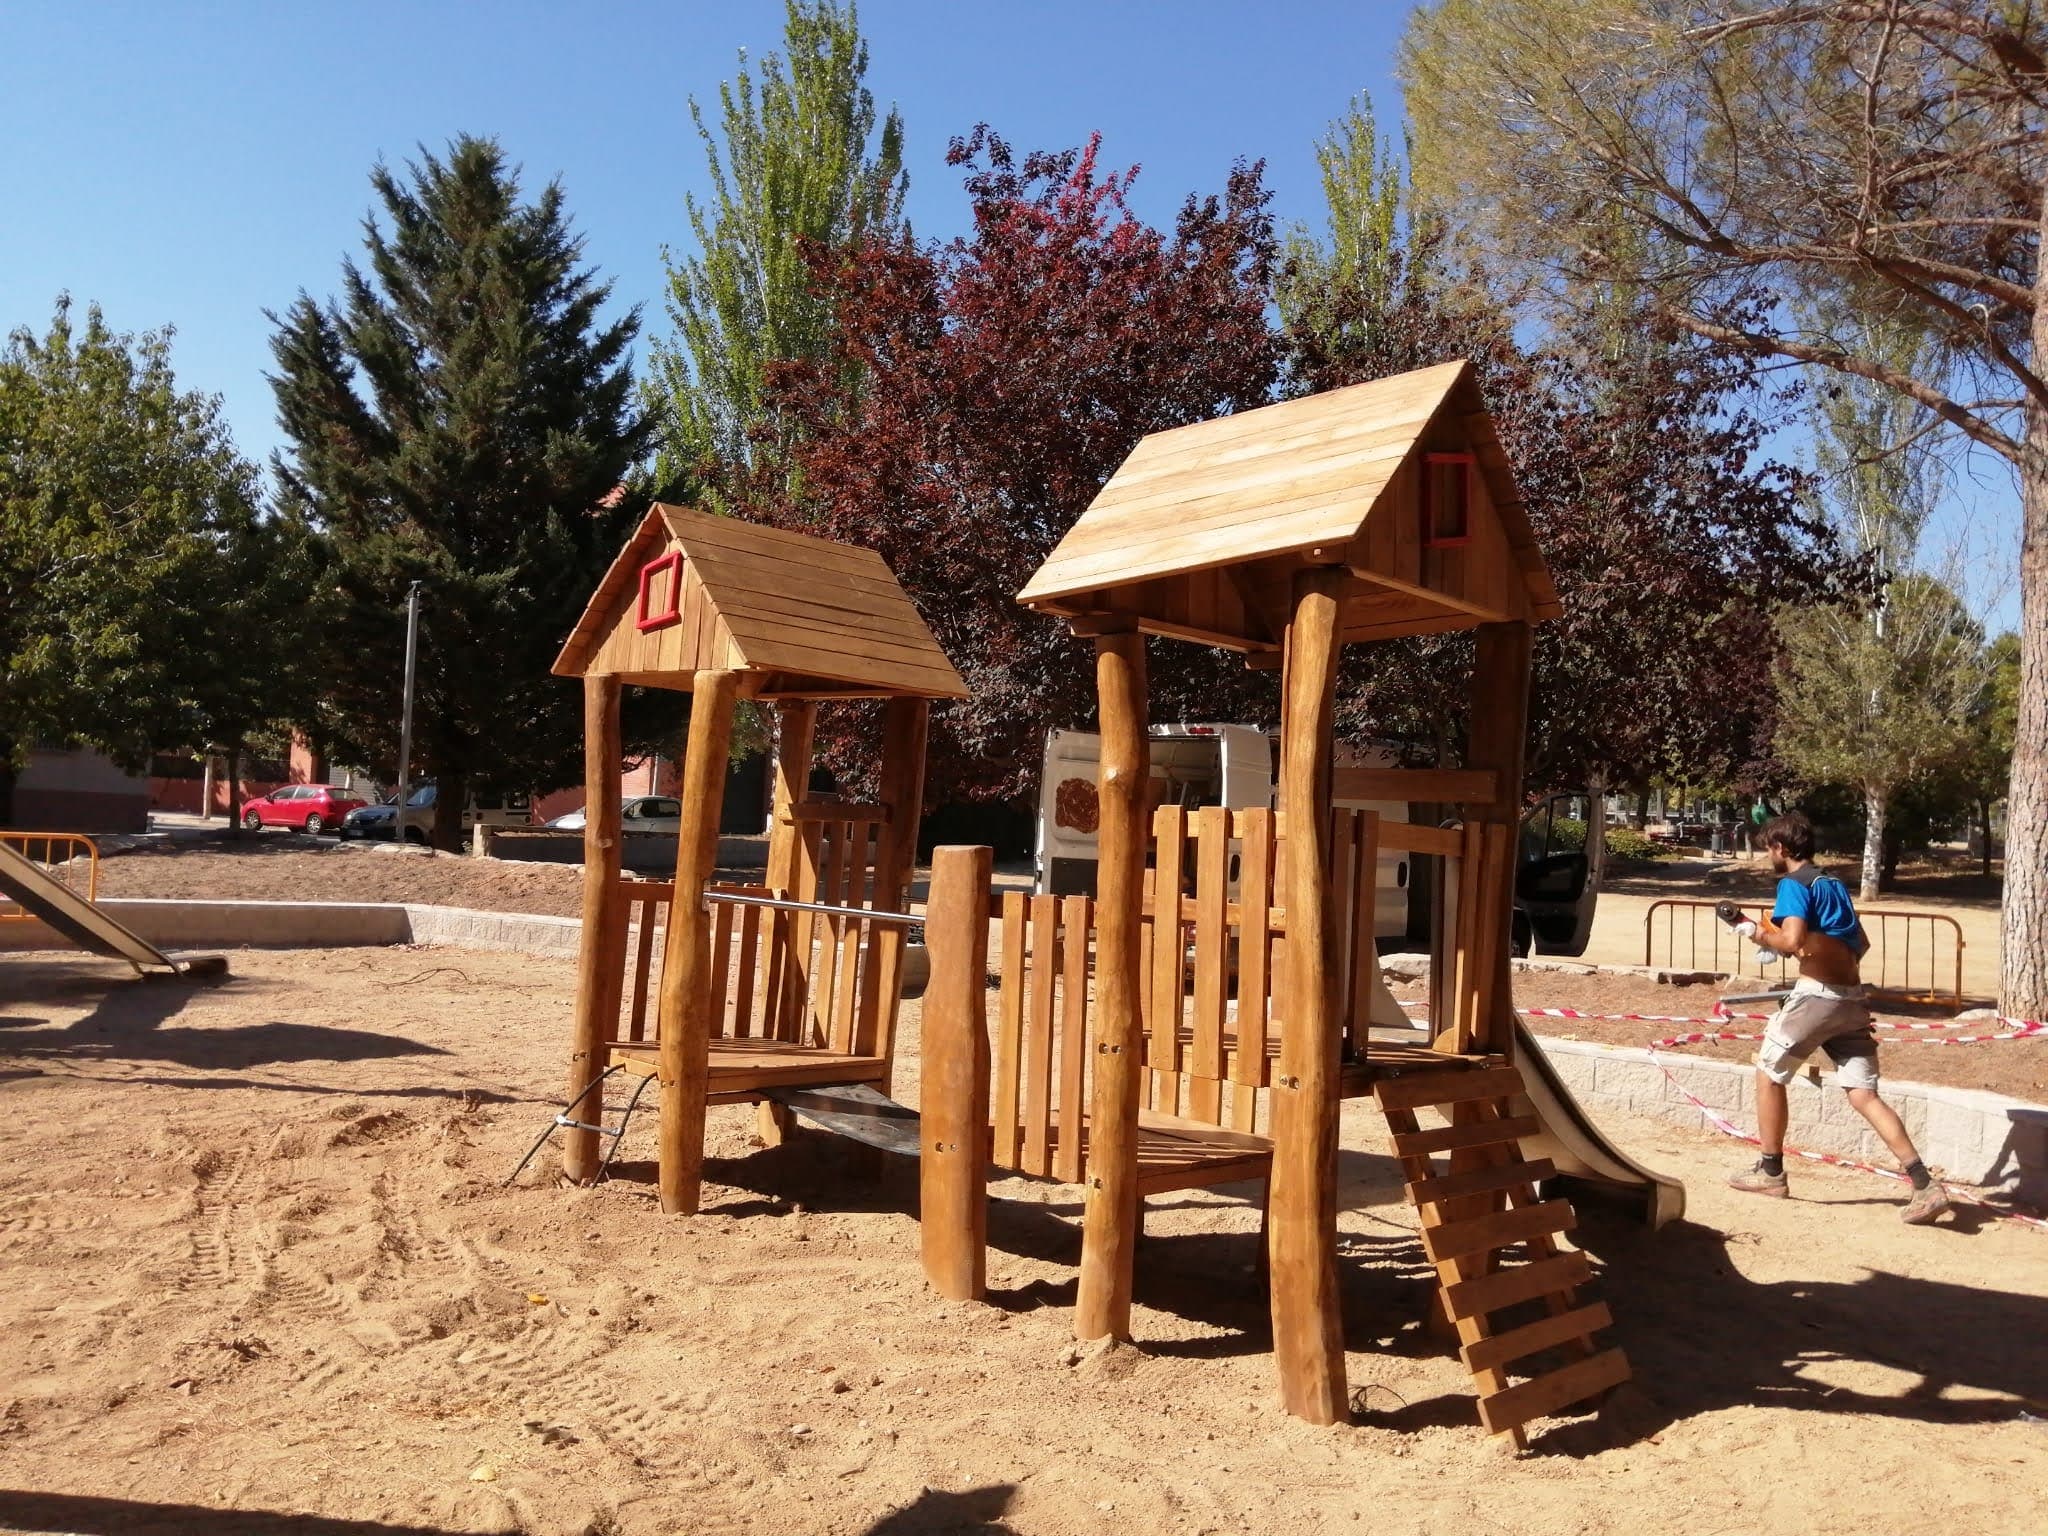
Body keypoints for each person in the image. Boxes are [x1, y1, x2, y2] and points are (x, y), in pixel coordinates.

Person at [1718, 812, 1951, 1225]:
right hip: (1852, 999)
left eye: (1769, 848)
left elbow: (1792, 939)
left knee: (1768, 1074)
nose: (1768, 856)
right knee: (1863, 1094)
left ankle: (1771, 1173)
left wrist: (1756, 933)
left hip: (1817, 998)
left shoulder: (1794, 883)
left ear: (1780, 847)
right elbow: (1860, 942)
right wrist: (1803, 948)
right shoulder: (1832, 884)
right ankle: (1924, 1184)